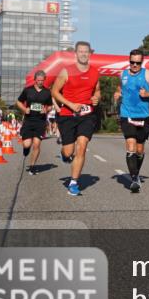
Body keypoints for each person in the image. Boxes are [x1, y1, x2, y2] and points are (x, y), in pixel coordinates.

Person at [51, 41, 100, 197]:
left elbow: (97, 91)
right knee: (68, 151)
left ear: (90, 53)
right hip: (67, 115)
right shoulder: (66, 71)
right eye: (81, 51)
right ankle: (65, 155)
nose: (84, 54)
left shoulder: (94, 72)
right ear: (76, 54)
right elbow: (54, 92)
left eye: (86, 51)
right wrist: (70, 104)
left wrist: (96, 98)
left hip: (87, 115)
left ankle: (73, 183)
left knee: (82, 145)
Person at [113, 49, 149, 193]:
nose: (134, 65)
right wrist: (117, 93)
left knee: (140, 150)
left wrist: (148, 94)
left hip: (143, 115)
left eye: (137, 63)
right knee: (131, 145)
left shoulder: (148, 74)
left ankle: (136, 172)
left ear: (142, 62)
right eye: (132, 62)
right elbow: (120, 87)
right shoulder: (123, 74)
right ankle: (134, 179)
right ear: (129, 61)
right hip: (127, 114)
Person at [16, 70, 54, 174]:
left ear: (44, 80)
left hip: (40, 121)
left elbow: (50, 106)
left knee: (37, 144)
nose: (40, 82)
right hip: (29, 120)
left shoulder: (47, 92)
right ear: (35, 80)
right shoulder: (28, 90)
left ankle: (32, 166)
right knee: (27, 144)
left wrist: (46, 110)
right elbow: (18, 102)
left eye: (42, 80)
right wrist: (24, 109)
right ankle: (26, 149)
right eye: (38, 80)